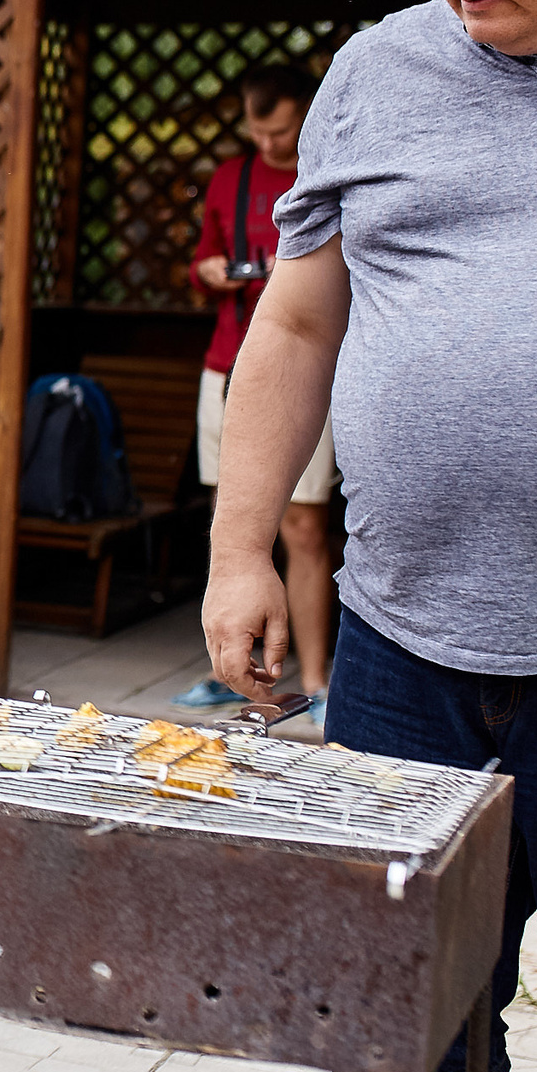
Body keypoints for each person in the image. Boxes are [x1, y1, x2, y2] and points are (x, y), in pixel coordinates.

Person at [202, 0, 537, 1072]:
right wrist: (240, 542)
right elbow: (299, 314)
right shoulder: (376, 72)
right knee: (398, 1027)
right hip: (401, 641)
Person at [170, 65, 337, 717]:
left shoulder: (325, 168)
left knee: (302, 526)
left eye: (283, 129)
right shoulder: (228, 180)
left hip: (303, 376)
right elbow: (201, 262)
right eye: (258, 129)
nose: (269, 143)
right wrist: (208, 270)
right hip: (228, 363)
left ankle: (318, 679)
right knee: (234, 522)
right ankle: (235, 670)